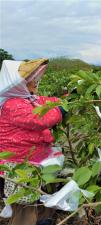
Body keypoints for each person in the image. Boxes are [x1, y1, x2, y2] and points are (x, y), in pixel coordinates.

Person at [0, 59, 65, 225]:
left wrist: (66, 99)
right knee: (24, 203)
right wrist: (61, 111)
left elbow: (46, 102)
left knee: (39, 193)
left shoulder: (29, 99)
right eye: (31, 80)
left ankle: (42, 219)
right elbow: (40, 119)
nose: (35, 83)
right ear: (18, 85)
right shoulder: (12, 104)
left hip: (33, 158)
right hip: (19, 163)